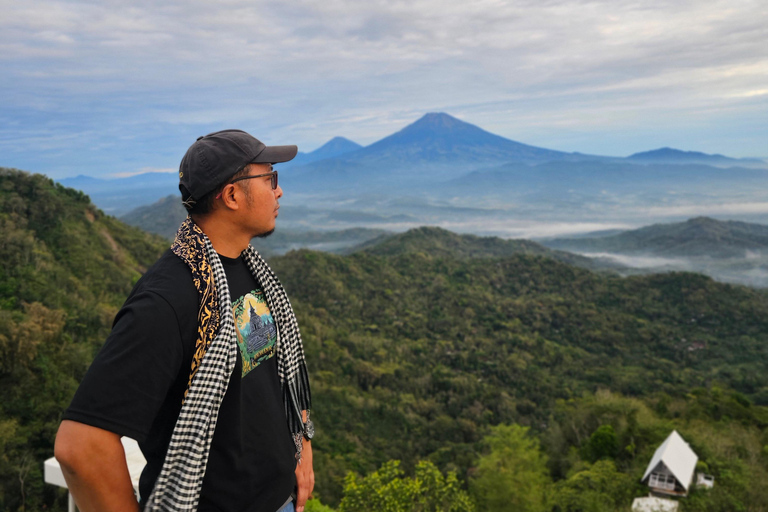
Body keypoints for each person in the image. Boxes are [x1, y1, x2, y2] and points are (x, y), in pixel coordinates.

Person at [54, 129, 315, 512]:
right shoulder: (165, 301)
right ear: (231, 196)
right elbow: (79, 447)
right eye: (270, 178)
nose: (278, 192)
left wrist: (300, 451)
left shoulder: (247, 269)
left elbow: (273, 380)